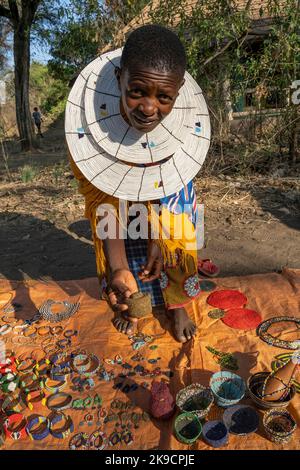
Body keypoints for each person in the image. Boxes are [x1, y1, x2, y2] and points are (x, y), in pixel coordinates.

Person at [67, 25, 211, 343]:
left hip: (169, 202)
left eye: (163, 97)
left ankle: (179, 306)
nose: (148, 108)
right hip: (116, 206)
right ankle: (127, 302)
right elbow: (102, 203)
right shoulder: (85, 133)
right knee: (121, 259)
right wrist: (117, 265)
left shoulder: (184, 131)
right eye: (137, 92)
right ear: (120, 78)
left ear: (179, 90)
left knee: (180, 237)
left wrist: (161, 238)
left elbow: (177, 195)